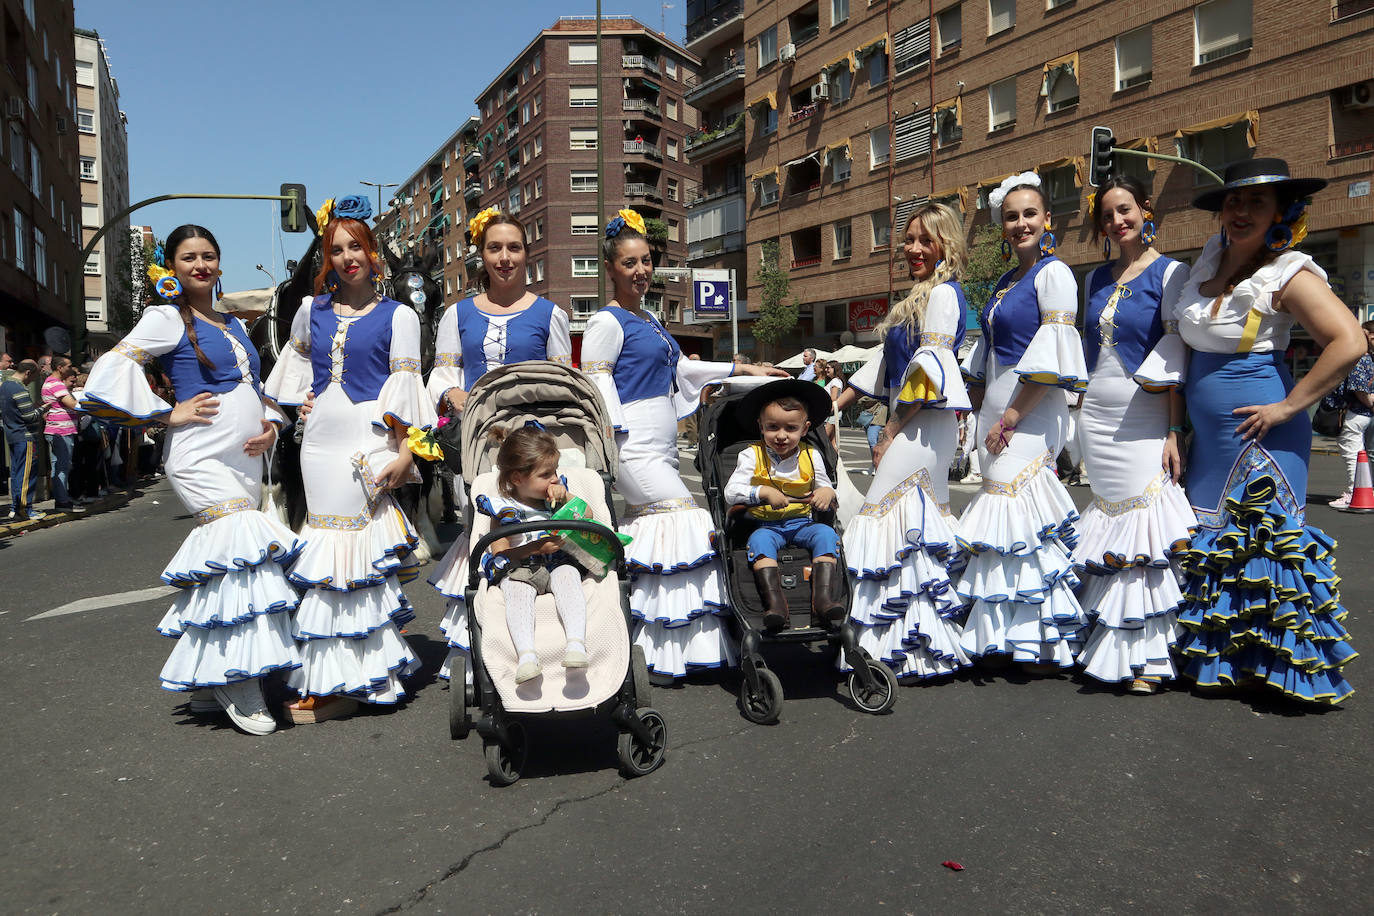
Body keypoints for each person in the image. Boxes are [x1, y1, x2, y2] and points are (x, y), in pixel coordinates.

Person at [79, 225, 299, 734]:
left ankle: (207, 681)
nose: (200, 265)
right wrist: (164, 414)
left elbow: (255, 387)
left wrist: (271, 426)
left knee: (229, 567)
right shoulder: (164, 317)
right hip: (199, 455)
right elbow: (112, 367)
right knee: (241, 554)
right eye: (188, 257)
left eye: (208, 256)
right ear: (172, 267)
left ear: (219, 263)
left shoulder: (233, 322)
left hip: (246, 458)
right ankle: (239, 681)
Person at [1170, 158, 1361, 704]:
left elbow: (1349, 341)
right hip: (1209, 438)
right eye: (1234, 200)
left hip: (1263, 436)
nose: (1241, 210)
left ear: (1282, 211)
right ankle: (1223, 661)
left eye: (1257, 201)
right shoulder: (1209, 261)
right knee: (1218, 545)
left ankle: (1279, 669)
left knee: (1265, 545)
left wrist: (1288, 407)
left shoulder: (1288, 272)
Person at [582, 208, 783, 679]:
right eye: (629, 263)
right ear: (610, 268)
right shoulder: (607, 322)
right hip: (632, 443)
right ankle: (657, 646)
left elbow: (682, 369)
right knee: (682, 518)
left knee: (664, 531)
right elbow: (596, 383)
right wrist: (612, 437)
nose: (641, 270)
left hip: (661, 442)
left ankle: (663, 647)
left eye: (646, 261)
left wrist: (742, 369)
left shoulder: (649, 318)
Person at [264, 195, 436, 722]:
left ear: (372, 251)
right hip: (317, 444)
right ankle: (336, 677)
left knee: (352, 559)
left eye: (355, 247)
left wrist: (406, 454)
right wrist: (289, 411)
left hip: (368, 441)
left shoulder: (399, 316)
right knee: (326, 558)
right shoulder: (309, 310)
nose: (347, 258)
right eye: (336, 250)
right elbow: (292, 374)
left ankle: (355, 680)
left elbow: (406, 390)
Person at [425, 206, 572, 685]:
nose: (504, 257)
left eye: (514, 247)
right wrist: (455, 394)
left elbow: (563, 382)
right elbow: (441, 374)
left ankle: (546, 645)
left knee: (540, 532)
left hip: (533, 447)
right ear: (481, 256)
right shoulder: (458, 314)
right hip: (478, 442)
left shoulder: (550, 314)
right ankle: (481, 656)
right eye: (494, 248)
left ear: (527, 254)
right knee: (486, 532)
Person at [956, 172, 1088, 671]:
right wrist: (977, 413)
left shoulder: (1055, 274)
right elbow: (986, 358)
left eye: (1030, 214)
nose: (1020, 224)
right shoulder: (1006, 280)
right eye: (1011, 217)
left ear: (1047, 219)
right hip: (997, 408)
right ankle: (1007, 638)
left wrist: (1011, 417)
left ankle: (1036, 640)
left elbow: (1053, 358)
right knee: (1007, 522)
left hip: (1029, 412)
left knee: (1021, 516)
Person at [1074, 175, 1196, 694]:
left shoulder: (1172, 272)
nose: (1117, 221)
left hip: (1144, 413)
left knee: (1143, 528)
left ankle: (1147, 656)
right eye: (1107, 215)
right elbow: (1084, 352)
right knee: (1109, 521)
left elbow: (1175, 357)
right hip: (1096, 416)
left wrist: (1173, 430)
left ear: (1146, 210)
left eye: (1125, 210)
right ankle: (1109, 642)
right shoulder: (1092, 279)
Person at [839, 202, 972, 679]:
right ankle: (914, 648)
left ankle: (888, 645)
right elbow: (885, 363)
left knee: (879, 519)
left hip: (921, 423)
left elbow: (927, 374)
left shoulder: (943, 295)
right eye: (909, 240)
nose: (913, 249)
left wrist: (890, 431)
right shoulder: (920, 296)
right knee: (909, 529)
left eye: (925, 240)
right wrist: (834, 400)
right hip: (918, 422)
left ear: (946, 245)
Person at [723, 381, 843, 631]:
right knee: (759, 542)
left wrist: (826, 491)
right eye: (772, 427)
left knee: (827, 535)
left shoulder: (811, 455)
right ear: (761, 426)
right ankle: (776, 605)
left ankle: (822, 601)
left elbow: (825, 485)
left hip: (803, 523)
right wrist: (762, 492)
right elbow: (731, 492)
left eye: (790, 428)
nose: (781, 435)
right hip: (766, 524)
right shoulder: (751, 455)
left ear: (804, 428)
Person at [478, 425, 590, 683]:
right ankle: (526, 655)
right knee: (516, 589)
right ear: (517, 478)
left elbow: (588, 515)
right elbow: (500, 552)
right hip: (523, 567)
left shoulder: (557, 499)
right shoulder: (504, 509)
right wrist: (535, 548)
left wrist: (566, 498)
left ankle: (576, 644)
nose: (554, 479)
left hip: (559, 562)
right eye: (546, 474)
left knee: (569, 575)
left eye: (555, 472)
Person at [1328, 320, 1374, 509]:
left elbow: (1360, 389)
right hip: (1362, 414)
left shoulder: (1359, 357)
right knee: (1363, 453)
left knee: (1352, 454)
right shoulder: (1368, 358)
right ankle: (1363, 491)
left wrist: (1371, 404)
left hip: (1354, 413)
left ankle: (1354, 493)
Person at [2, 359, 45, 521]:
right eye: (33, 377)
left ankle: (15, 508)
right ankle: (25, 509)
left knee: (17, 473)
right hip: (25, 436)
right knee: (26, 474)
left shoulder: (5, 386)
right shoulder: (19, 388)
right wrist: (43, 408)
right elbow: (30, 417)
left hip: (12, 435)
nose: (32, 380)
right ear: (28, 372)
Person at [41, 356, 84, 514]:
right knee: (62, 466)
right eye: (69, 366)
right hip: (61, 430)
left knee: (59, 466)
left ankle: (62, 498)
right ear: (60, 368)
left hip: (59, 429)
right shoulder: (56, 384)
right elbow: (72, 404)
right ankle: (62, 501)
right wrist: (91, 406)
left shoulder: (51, 383)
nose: (71, 369)